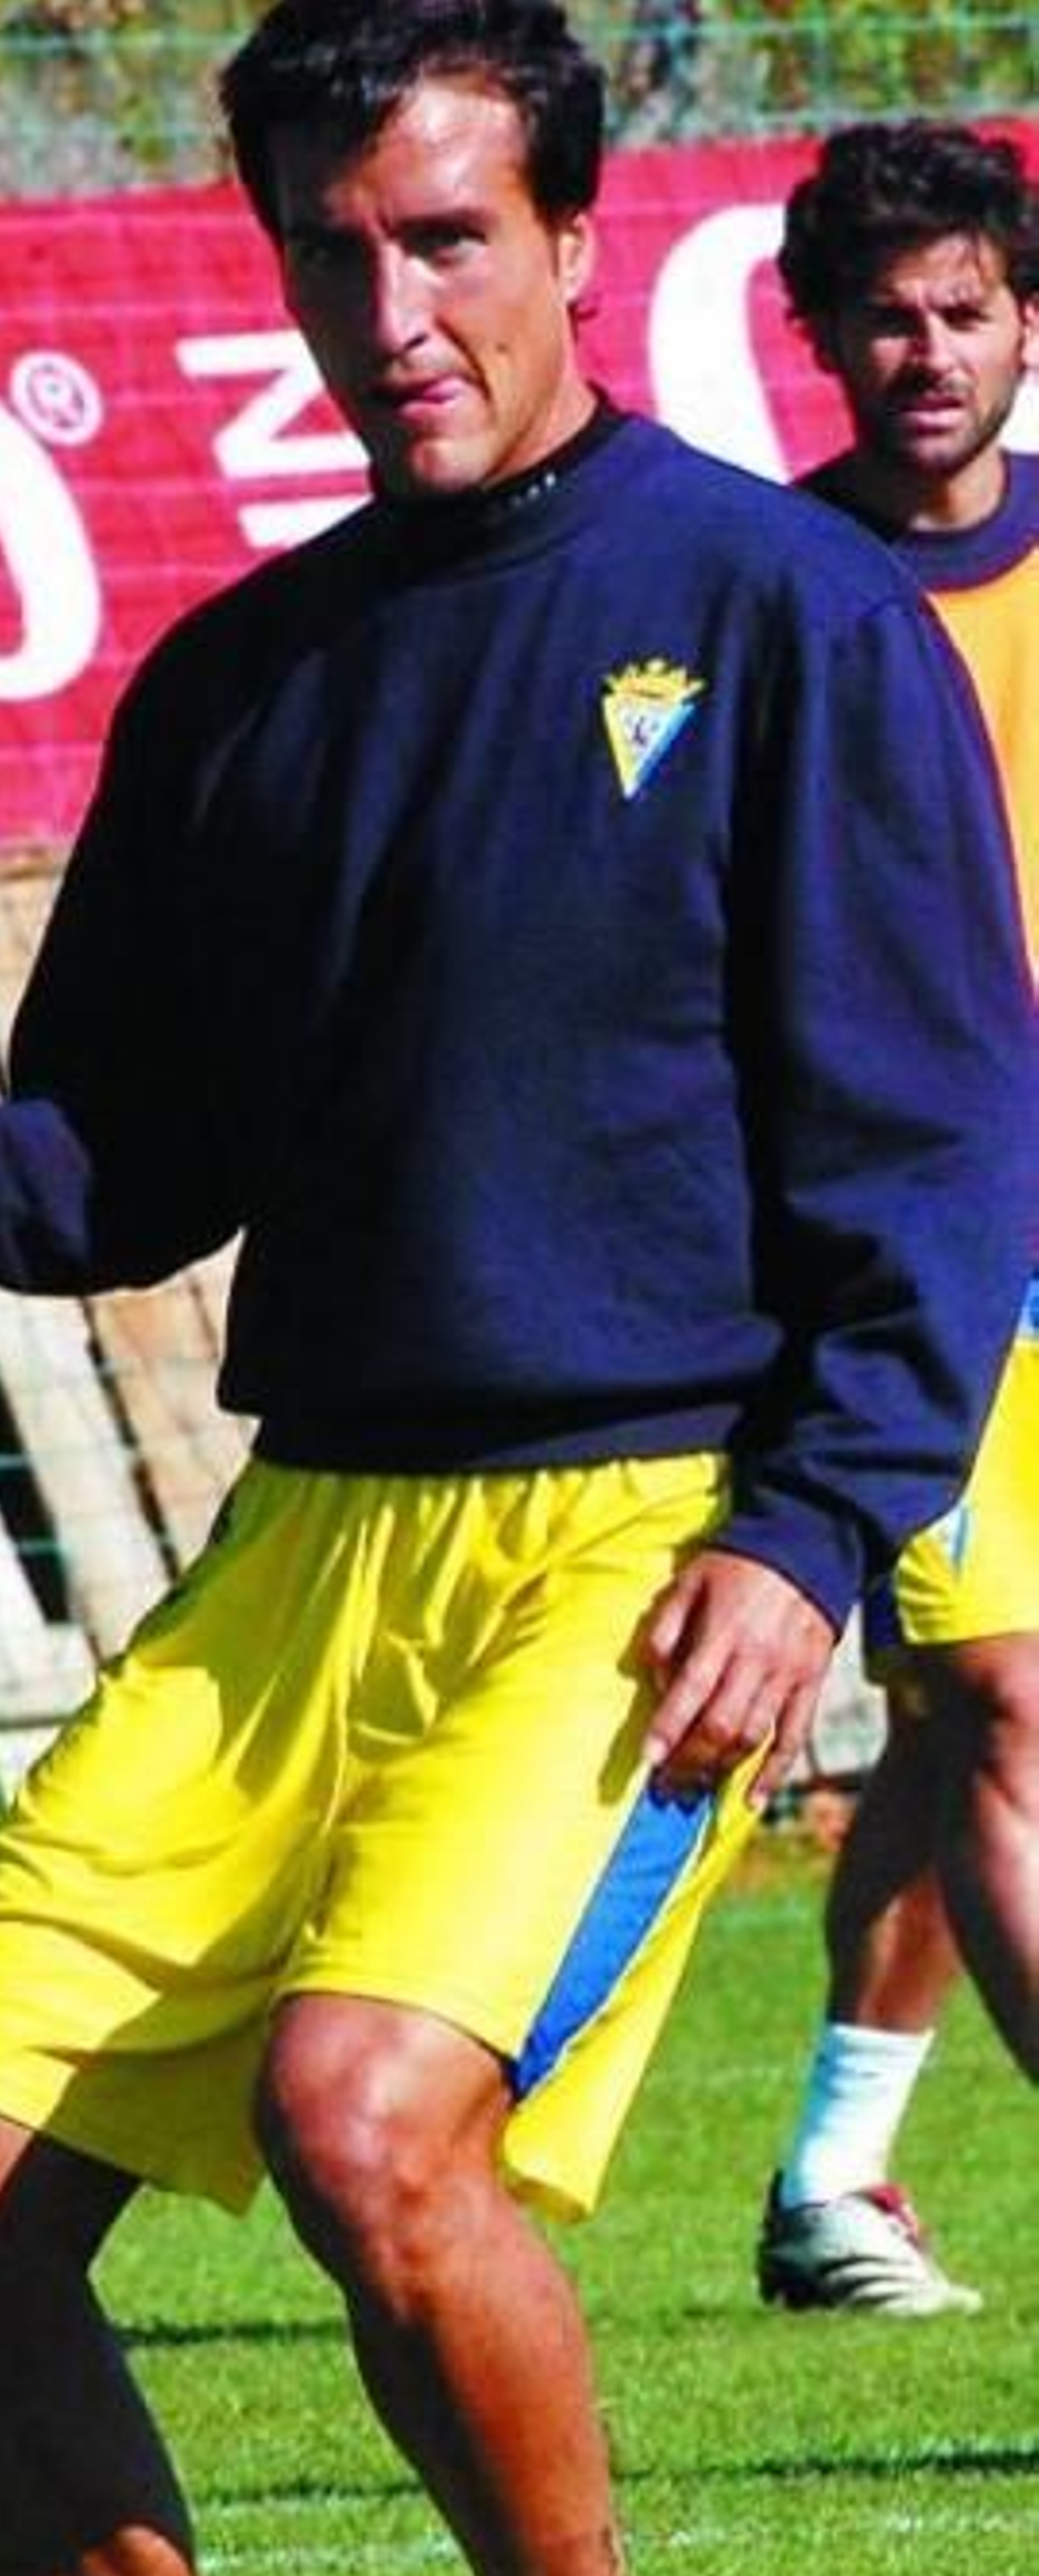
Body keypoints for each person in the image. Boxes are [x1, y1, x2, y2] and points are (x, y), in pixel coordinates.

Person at [0, 1, 1039, 2576]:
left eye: (449, 240)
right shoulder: (249, 675)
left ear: (577, 242)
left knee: (365, 2115)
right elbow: (132, 1170)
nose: (390, 309)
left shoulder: (773, 619)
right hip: (302, 1542)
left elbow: (942, 1134)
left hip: (632, 1546)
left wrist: (817, 1524)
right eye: (334, 249)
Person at [757, 120, 1039, 2319]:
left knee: (957, 1739)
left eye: (963, 307)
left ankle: (836, 2176)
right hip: (917, 1242)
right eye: (885, 315)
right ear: (823, 337)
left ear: (1024, 323)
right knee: (1009, 1697)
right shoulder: (783, 594)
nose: (926, 352)